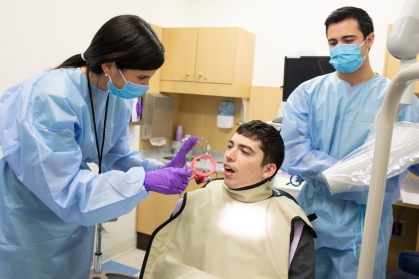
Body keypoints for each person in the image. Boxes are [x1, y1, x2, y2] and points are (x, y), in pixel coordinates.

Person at [0, 15, 198, 279]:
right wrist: (145, 182)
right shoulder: (50, 98)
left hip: (72, 224)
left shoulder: (114, 94)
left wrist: (155, 169)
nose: (146, 86)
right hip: (29, 218)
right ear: (109, 65)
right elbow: (66, 190)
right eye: (142, 77)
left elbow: (115, 154)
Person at [280, 6, 419, 279]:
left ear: (369, 41)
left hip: (365, 226)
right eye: (333, 42)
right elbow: (295, 154)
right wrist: (355, 175)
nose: (339, 48)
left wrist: (334, 177)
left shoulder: (398, 99)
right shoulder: (307, 94)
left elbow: (412, 160)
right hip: (312, 218)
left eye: (348, 40)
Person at [139, 120, 317, 279]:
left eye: (245, 152)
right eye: (230, 146)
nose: (229, 155)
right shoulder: (196, 199)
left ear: (268, 170)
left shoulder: (291, 222)